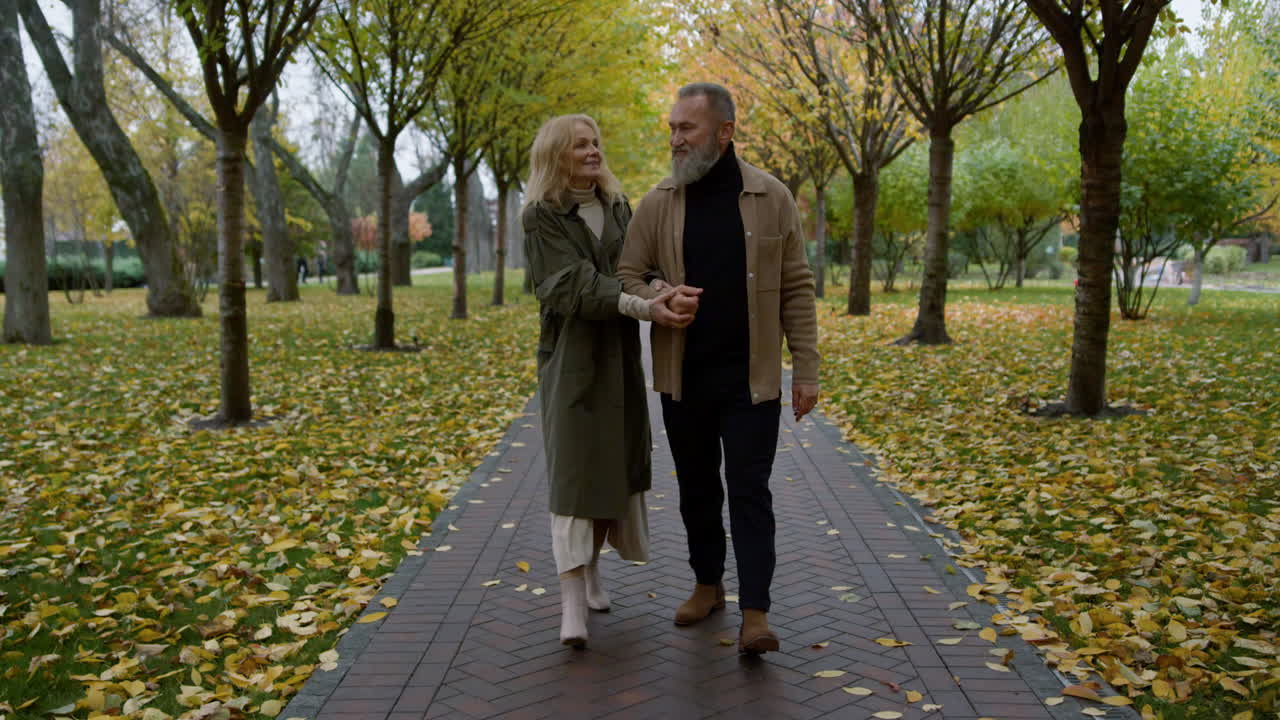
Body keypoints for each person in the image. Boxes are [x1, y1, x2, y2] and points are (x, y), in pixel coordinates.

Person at [617, 83, 820, 655]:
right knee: (698, 489)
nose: (676, 139)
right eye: (673, 128)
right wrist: (660, 295)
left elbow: (797, 287)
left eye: (688, 128)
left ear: (725, 132)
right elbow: (628, 275)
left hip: (751, 380)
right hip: (684, 377)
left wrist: (806, 369)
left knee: (750, 491)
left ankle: (756, 613)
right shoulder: (659, 201)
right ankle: (707, 586)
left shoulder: (771, 196)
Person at [522, 114, 692, 648]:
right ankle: (571, 603)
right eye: (580, 145)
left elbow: (633, 268)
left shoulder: (618, 206)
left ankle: (593, 569)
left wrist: (658, 288)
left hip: (619, 359)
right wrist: (640, 305)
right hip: (571, 359)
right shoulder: (540, 216)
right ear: (557, 155)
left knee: (612, 472)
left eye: (595, 143)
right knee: (575, 479)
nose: (593, 152)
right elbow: (570, 285)